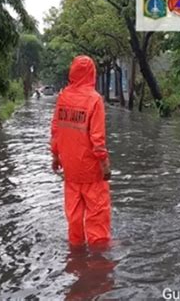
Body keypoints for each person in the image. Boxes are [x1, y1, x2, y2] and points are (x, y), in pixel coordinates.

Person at [50, 55, 112, 247]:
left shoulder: (63, 97)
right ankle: (98, 263)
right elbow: (98, 140)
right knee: (97, 217)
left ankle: (76, 257)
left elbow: (55, 130)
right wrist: (105, 165)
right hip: (91, 170)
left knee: (74, 218)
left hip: (70, 169)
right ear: (92, 74)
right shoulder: (95, 100)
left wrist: (55, 156)